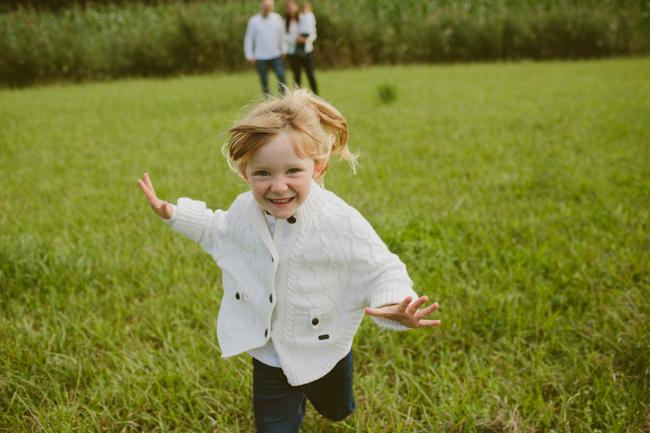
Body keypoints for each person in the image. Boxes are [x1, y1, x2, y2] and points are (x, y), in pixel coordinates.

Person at [137, 89, 440, 433]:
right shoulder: (244, 212)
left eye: (293, 171)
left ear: (318, 167)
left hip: (325, 348)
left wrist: (396, 302)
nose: (278, 186)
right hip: (270, 353)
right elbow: (216, 228)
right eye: (263, 173)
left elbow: (380, 266)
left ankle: (332, 401)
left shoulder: (338, 220)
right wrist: (173, 213)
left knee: (337, 410)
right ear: (245, 173)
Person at [244, 0, 287, 96]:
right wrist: (249, 55)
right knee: (264, 80)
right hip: (260, 56)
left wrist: (283, 48)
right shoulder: (253, 21)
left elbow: (282, 35)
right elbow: (249, 39)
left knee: (281, 75)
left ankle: (284, 97)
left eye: (269, 6)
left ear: (272, 6)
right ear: (261, 6)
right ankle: (267, 100)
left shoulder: (277, 18)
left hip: (275, 54)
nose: (267, 7)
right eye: (265, 5)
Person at [284, 1, 318, 95]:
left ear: (296, 7)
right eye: (288, 8)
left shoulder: (304, 18)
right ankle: (297, 99)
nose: (291, 10)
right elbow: (284, 37)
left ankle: (317, 96)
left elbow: (313, 33)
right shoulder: (286, 23)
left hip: (307, 52)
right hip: (293, 53)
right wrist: (296, 40)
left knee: (310, 75)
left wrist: (306, 40)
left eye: (292, 7)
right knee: (297, 77)